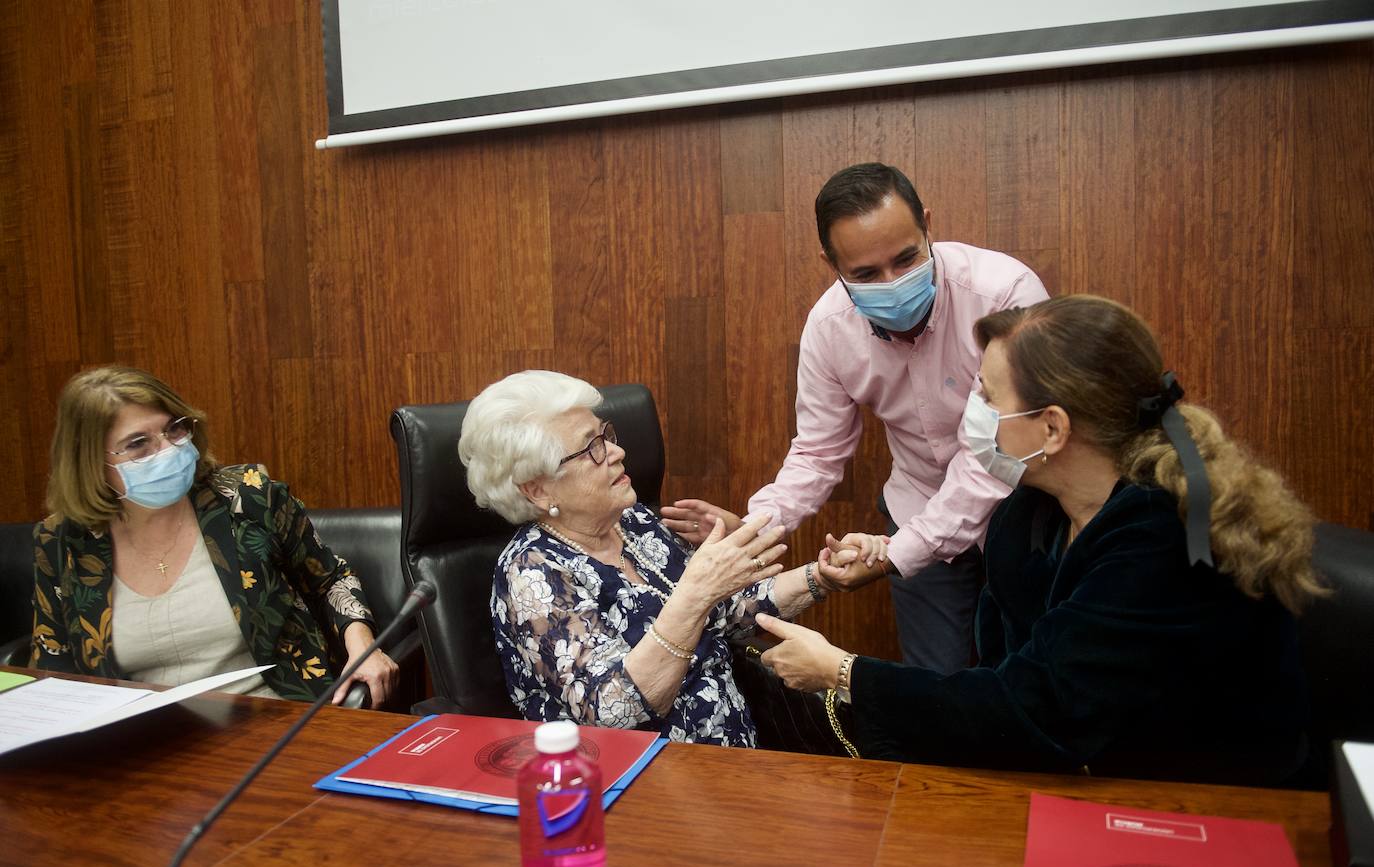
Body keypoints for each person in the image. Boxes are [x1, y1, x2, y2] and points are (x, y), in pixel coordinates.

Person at [752, 295, 1321, 785]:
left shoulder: (1164, 537)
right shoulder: (1029, 513)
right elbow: (1004, 687)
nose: (973, 414)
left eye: (988, 396)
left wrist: (842, 672)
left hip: (1208, 806)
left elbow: (1036, 713)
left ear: (1052, 428)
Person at [663, 161, 1049, 673]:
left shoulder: (1004, 294)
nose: (892, 283)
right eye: (865, 274)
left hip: (1022, 508)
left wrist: (896, 553)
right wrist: (756, 527)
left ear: (927, 224)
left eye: (906, 259)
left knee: (1033, 670)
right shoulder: (830, 327)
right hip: (917, 508)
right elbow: (818, 452)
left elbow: (992, 453)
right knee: (933, 686)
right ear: (831, 263)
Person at [460, 370, 839, 746]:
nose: (617, 451)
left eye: (605, 435)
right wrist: (695, 594)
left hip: (733, 757)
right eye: (591, 448)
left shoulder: (633, 521)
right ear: (538, 490)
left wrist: (822, 576)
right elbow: (612, 711)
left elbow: (726, 609)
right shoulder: (534, 574)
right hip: (641, 781)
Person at [30, 366, 398, 706]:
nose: (168, 449)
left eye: (174, 428)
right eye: (139, 443)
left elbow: (330, 579)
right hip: (139, 745)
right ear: (91, 463)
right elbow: (53, 660)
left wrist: (363, 646)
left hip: (272, 717)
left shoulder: (248, 497)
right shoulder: (61, 541)